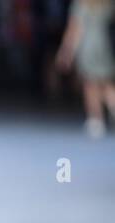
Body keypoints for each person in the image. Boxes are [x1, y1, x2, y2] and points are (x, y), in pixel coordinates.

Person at [58, 0, 115, 136]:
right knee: (106, 83)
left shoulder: (80, 5)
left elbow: (74, 29)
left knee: (90, 84)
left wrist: (66, 52)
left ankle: (96, 120)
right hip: (104, 45)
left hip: (87, 46)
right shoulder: (107, 4)